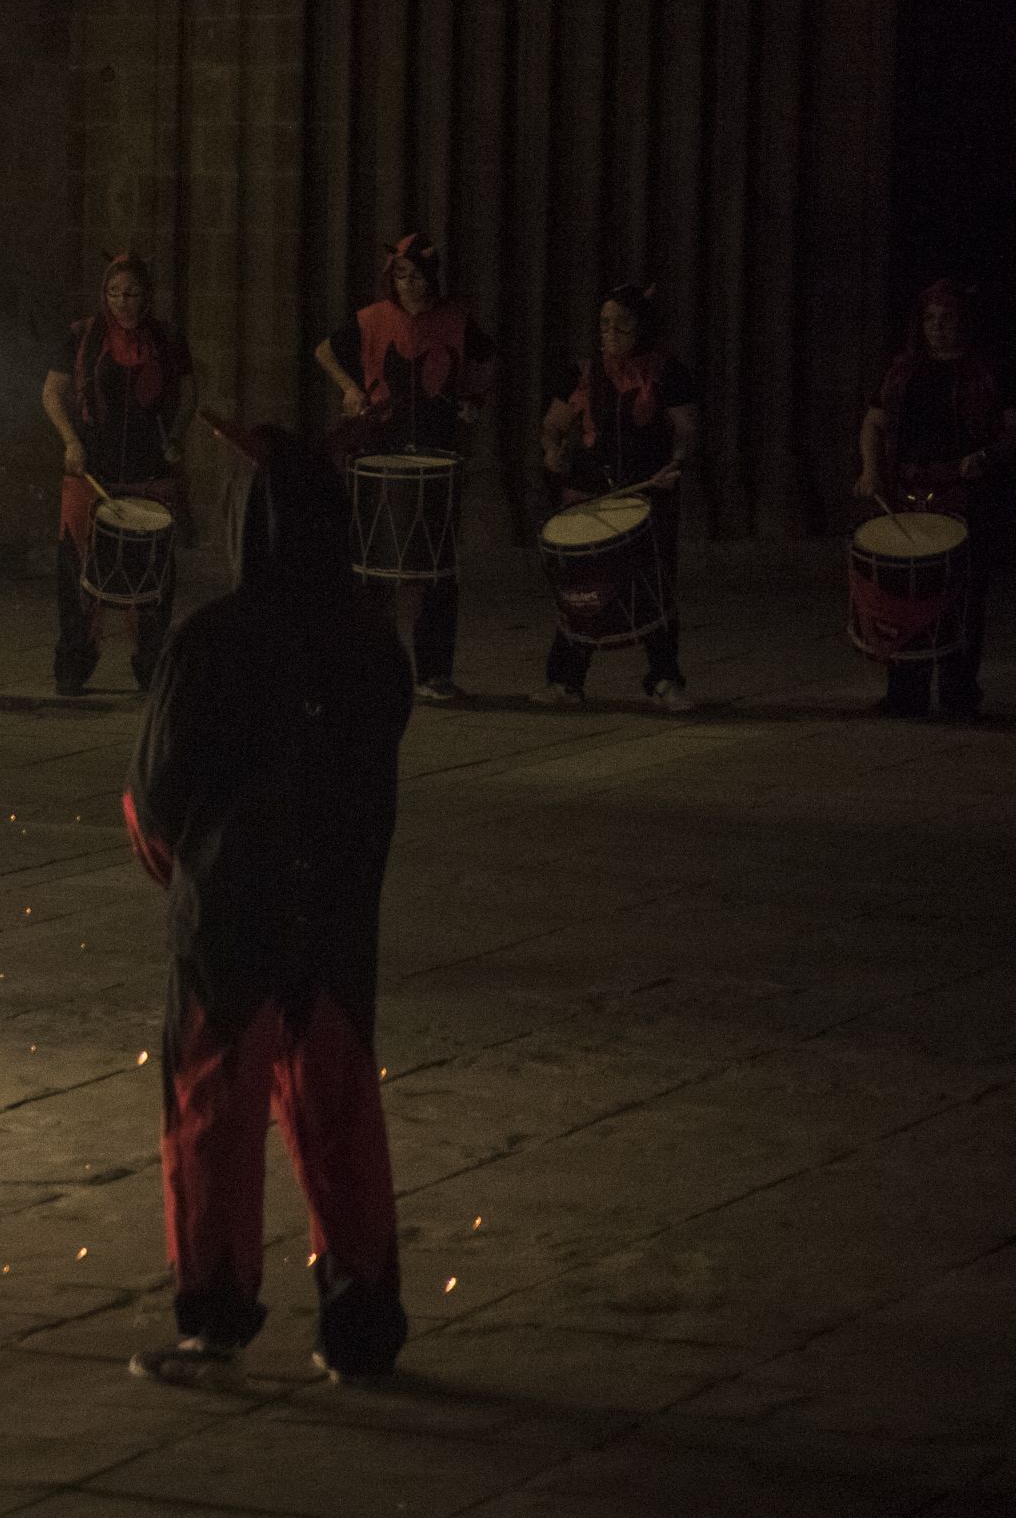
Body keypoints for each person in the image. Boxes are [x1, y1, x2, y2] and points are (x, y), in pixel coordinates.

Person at [123, 425, 413, 1386]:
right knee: (337, 1110)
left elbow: (154, 796)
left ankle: (213, 1322)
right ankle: (361, 1326)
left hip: (232, 908)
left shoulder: (210, 639)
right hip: (335, 907)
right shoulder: (374, 643)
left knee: (213, 1108)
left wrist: (189, 871)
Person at [314, 232, 495, 700]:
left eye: (417, 276)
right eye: (401, 276)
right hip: (381, 446)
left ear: (433, 278)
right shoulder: (373, 319)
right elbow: (325, 351)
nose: (410, 285)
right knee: (375, 566)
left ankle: (434, 672)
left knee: (438, 567)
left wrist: (473, 398)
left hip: (436, 449)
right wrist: (351, 389)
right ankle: (372, 666)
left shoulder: (455, 320)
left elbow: (488, 358)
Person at [536, 287, 698, 712]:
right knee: (582, 584)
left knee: (653, 584)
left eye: (621, 326)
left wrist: (675, 465)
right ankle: (565, 680)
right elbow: (554, 425)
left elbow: (684, 430)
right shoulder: (584, 373)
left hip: (645, 491)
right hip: (590, 488)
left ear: (641, 329)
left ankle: (664, 679)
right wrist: (552, 450)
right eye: (604, 324)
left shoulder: (668, 372)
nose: (610, 333)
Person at [858, 278, 1011, 718]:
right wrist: (870, 470)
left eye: (946, 319)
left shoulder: (987, 372)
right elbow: (873, 423)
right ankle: (905, 691)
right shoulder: (904, 371)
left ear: (964, 322)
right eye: (929, 319)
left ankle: (959, 691)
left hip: (963, 494)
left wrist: (987, 456)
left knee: (959, 594)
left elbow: (1012, 427)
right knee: (908, 593)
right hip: (909, 491)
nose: (937, 328)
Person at [44, 253, 194, 699]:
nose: (123, 302)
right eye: (114, 293)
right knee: (78, 572)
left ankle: (151, 668)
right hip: (95, 472)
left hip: (149, 472)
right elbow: (52, 394)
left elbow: (188, 392)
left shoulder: (166, 338)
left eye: (131, 293)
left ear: (146, 295)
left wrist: (177, 438)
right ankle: (73, 666)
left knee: (152, 577)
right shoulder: (81, 336)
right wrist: (71, 440)